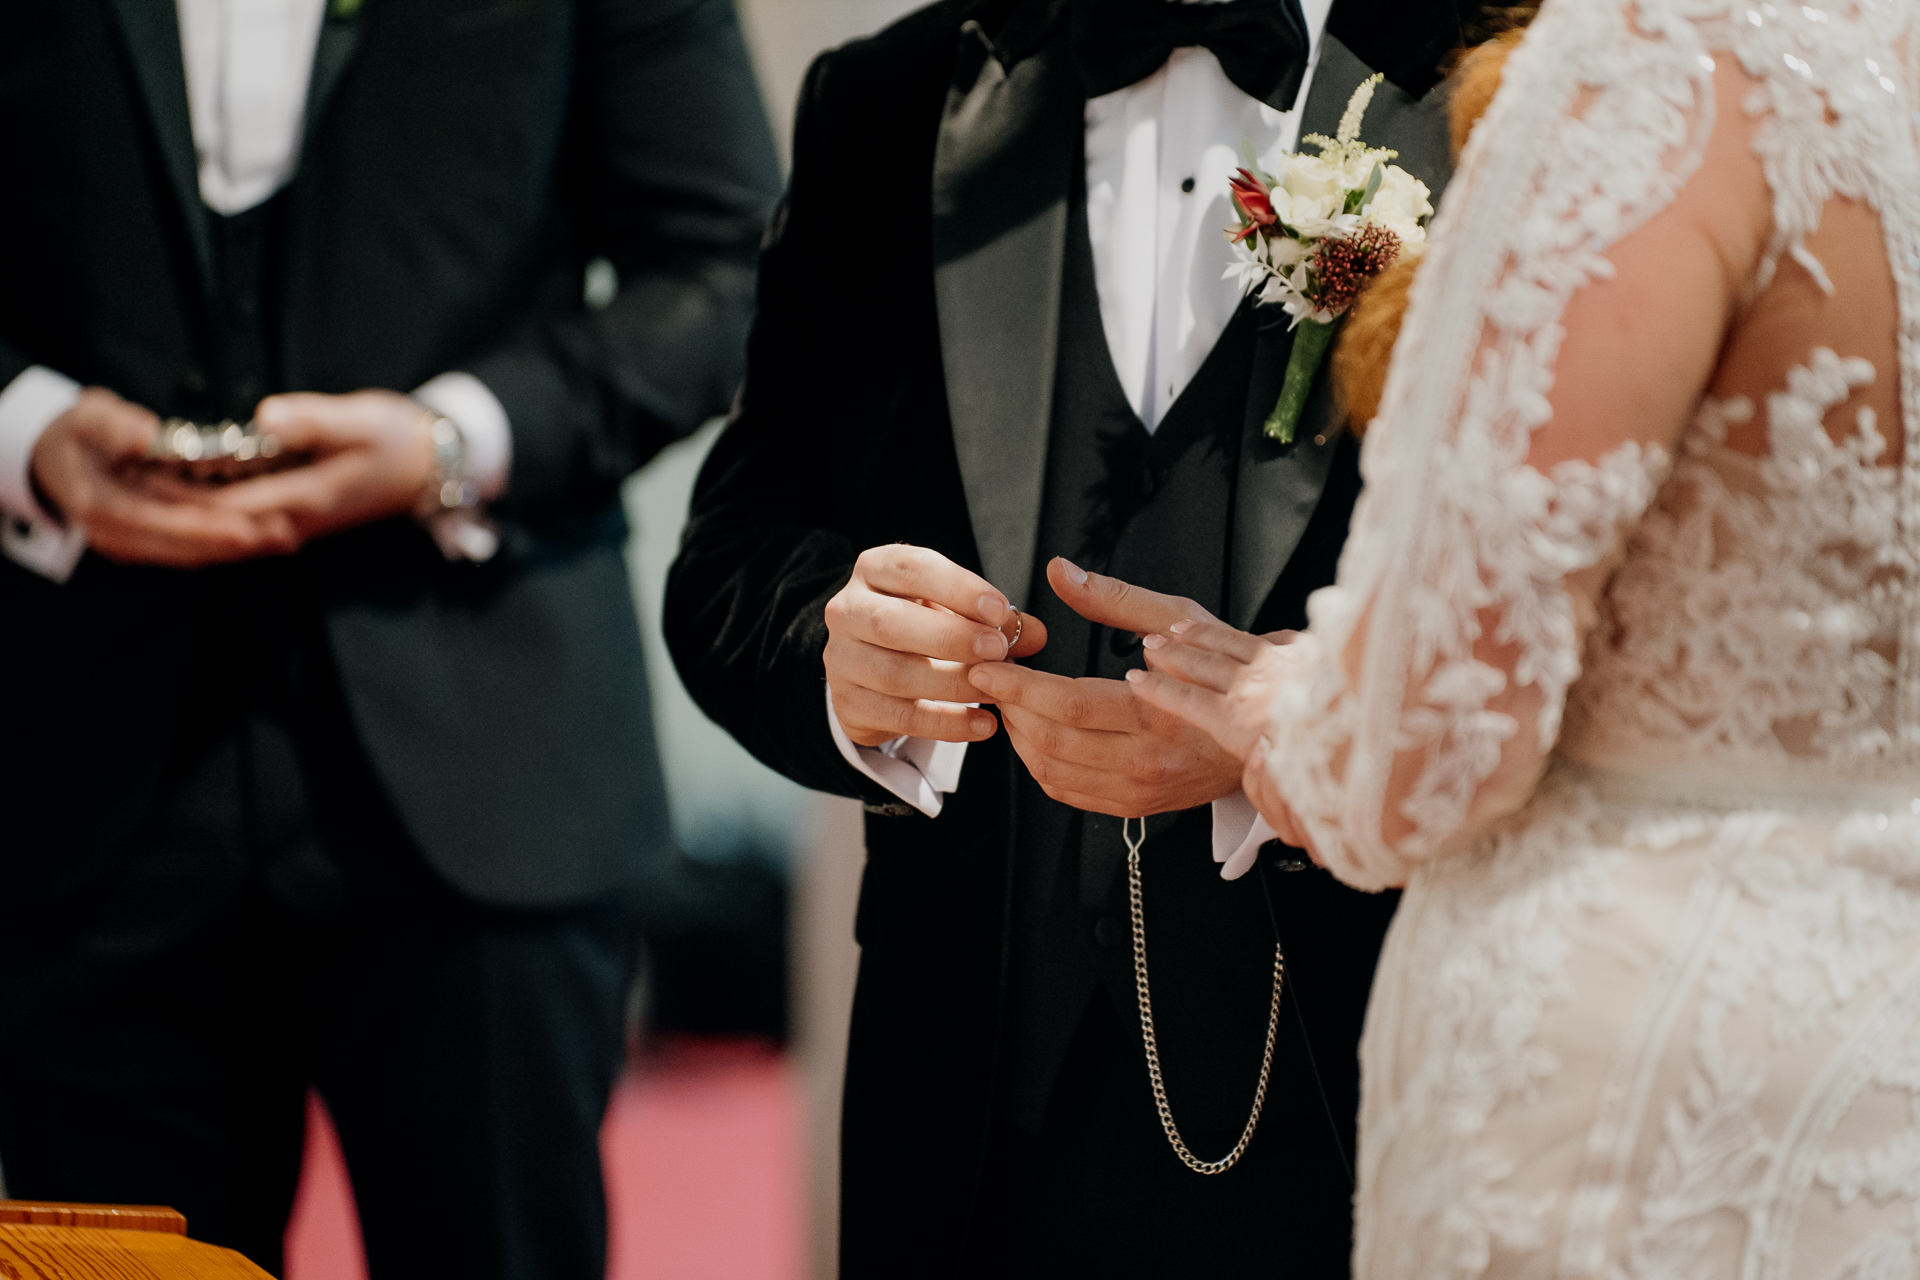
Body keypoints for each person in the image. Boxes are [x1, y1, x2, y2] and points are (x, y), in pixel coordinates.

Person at [665, 0, 1463, 1271]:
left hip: (1363, 1082)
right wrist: (838, 648)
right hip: (971, 1114)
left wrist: (1310, 724)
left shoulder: (1506, 85)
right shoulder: (889, 100)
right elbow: (726, 558)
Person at [1123, 0, 1920, 1273]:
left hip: (1624, 1097)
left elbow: (1422, 754)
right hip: (1875, 1057)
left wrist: (1288, 700)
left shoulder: (1664, 67)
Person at [0, 3, 779, 1277]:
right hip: (78, 768)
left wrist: (455, 442)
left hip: (490, 754)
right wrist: (23, 430)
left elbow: (726, 263)